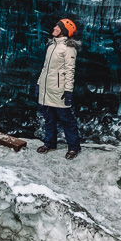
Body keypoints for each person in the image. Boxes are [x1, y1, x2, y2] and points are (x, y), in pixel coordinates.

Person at [35, 18, 81, 159]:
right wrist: (39, 83)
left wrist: (68, 91)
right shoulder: (51, 46)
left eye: (58, 26)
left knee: (66, 119)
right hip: (47, 88)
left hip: (59, 90)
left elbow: (70, 71)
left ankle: (73, 147)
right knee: (49, 117)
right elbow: (45, 68)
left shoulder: (68, 48)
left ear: (64, 31)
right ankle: (50, 143)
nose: (54, 28)